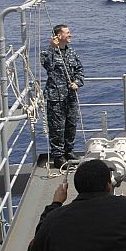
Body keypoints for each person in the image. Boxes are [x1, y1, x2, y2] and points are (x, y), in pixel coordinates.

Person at [41, 24, 84, 169]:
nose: (70, 35)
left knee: (71, 125)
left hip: (70, 96)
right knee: (57, 128)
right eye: (67, 33)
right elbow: (48, 65)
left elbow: (79, 69)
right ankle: (58, 157)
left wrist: (77, 82)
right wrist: (52, 48)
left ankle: (68, 151)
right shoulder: (48, 52)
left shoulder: (72, 52)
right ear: (59, 36)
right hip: (56, 97)